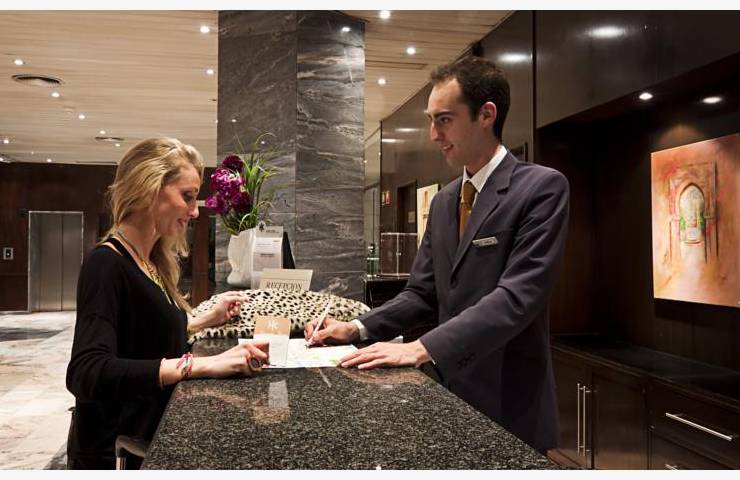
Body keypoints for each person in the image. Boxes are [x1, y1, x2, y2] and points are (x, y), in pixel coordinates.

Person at [305, 57, 570, 453]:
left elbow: (518, 297)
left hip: (510, 405)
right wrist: (356, 328)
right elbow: (421, 293)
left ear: (486, 115)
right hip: (448, 397)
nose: (433, 134)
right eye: (431, 120)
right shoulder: (446, 201)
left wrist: (421, 347)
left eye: (444, 120)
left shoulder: (541, 188)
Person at [66, 137, 269, 469]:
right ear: (148, 189)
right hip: (115, 451)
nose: (195, 211)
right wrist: (202, 365)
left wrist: (204, 319)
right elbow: (86, 372)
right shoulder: (106, 263)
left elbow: (140, 334)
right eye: (187, 196)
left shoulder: (150, 261)